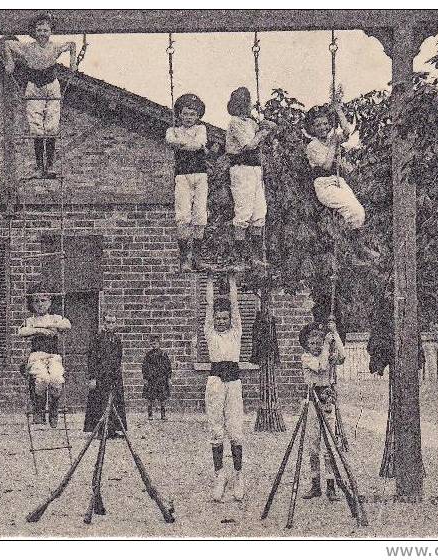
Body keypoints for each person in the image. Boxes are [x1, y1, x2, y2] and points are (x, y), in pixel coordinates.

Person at [0, 14, 77, 177]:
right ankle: (39, 167)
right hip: (34, 86)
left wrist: (73, 62)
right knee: (36, 127)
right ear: (34, 32)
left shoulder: (55, 47)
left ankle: (50, 165)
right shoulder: (27, 47)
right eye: (39, 30)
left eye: (46, 30)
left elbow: (72, 45)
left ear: (50, 32)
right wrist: (9, 62)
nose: (42, 34)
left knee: (52, 126)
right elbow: (6, 44)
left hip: (51, 85)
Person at [203, 272, 246, 502]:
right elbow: (209, 307)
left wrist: (231, 281)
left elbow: (236, 305)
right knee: (216, 430)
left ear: (230, 319)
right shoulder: (210, 334)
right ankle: (219, 476)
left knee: (235, 431)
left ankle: (238, 476)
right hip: (216, 383)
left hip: (234, 384)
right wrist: (210, 280)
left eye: (224, 318)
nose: (221, 321)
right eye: (218, 318)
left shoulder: (236, 333)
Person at [225, 87, 276, 271]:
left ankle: (255, 257)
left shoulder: (250, 122)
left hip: (255, 169)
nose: (247, 107)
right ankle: (240, 256)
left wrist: (267, 126)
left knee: (259, 213)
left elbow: (265, 131)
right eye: (244, 103)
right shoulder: (235, 123)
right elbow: (249, 144)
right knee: (243, 212)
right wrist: (263, 132)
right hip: (241, 169)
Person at [298, 320, 346, 501]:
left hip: (327, 402)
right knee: (313, 444)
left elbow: (342, 356)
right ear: (306, 345)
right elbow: (322, 366)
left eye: (318, 343)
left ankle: (331, 486)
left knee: (329, 445)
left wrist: (335, 334)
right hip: (312, 402)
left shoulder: (326, 352)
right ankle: (315, 484)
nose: (315, 346)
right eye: (312, 343)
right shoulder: (306, 358)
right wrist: (326, 345)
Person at [165, 93, 210, 272]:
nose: (189, 118)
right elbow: (170, 141)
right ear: (179, 114)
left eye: (193, 114)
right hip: (182, 176)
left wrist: (182, 144)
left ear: (198, 116)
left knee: (200, 215)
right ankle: (184, 260)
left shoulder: (201, 129)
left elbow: (199, 144)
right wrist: (191, 144)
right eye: (185, 114)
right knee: (183, 216)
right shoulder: (172, 130)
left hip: (200, 175)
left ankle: (197, 259)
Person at [304, 102, 365, 229]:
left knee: (359, 211)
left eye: (325, 123)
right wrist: (333, 145)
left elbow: (347, 132)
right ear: (312, 128)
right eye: (318, 125)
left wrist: (339, 111)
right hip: (324, 185)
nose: (323, 127)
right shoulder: (313, 146)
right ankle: (349, 238)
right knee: (353, 211)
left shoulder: (332, 139)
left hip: (338, 181)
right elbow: (326, 167)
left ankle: (350, 236)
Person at [17, 290, 71, 427]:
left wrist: (50, 326)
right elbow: (22, 331)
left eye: (43, 301)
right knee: (42, 379)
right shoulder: (31, 320)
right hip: (37, 356)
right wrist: (39, 330)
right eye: (36, 301)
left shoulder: (55, 318)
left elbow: (67, 325)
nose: (40, 304)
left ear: (50, 302)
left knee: (56, 380)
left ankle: (53, 409)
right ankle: (39, 411)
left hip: (53, 356)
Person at [83, 312, 127, 438]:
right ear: (104, 323)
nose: (111, 325)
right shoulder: (97, 339)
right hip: (101, 376)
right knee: (99, 402)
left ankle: (112, 429)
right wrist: (92, 377)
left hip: (114, 376)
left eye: (113, 322)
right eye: (108, 322)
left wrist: (117, 375)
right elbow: (91, 359)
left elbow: (119, 358)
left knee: (115, 401)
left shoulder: (117, 340)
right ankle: (100, 430)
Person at [141, 335, 172, 420]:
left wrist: (169, 378)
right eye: (152, 344)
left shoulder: (163, 354)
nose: (154, 345)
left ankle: (163, 415)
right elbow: (144, 367)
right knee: (150, 398)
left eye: (155, 343)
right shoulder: (148, 355)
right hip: (151, 380)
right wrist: (145, 378)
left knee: (162, 398)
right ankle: (150, 415)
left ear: (159, 344)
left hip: (161, 380)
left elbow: (168, 367)